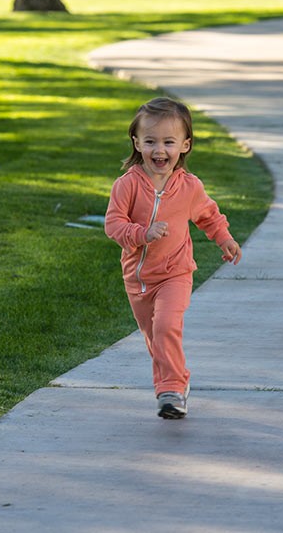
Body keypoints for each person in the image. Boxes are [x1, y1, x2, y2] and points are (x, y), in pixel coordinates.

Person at [105, 97, 242, 419]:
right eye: (150, 141)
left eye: (169, 142)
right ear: (137, 143)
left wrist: (224, 238)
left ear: (185, 145)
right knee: (155, 338)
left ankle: (171, 391)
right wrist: (141, 233)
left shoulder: (189, 187)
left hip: (175, 273)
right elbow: (113, 224)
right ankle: (175, 381)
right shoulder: (126, 186)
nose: (159, 150)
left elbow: (208, 215)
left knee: (166, 326)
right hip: (137, 279)